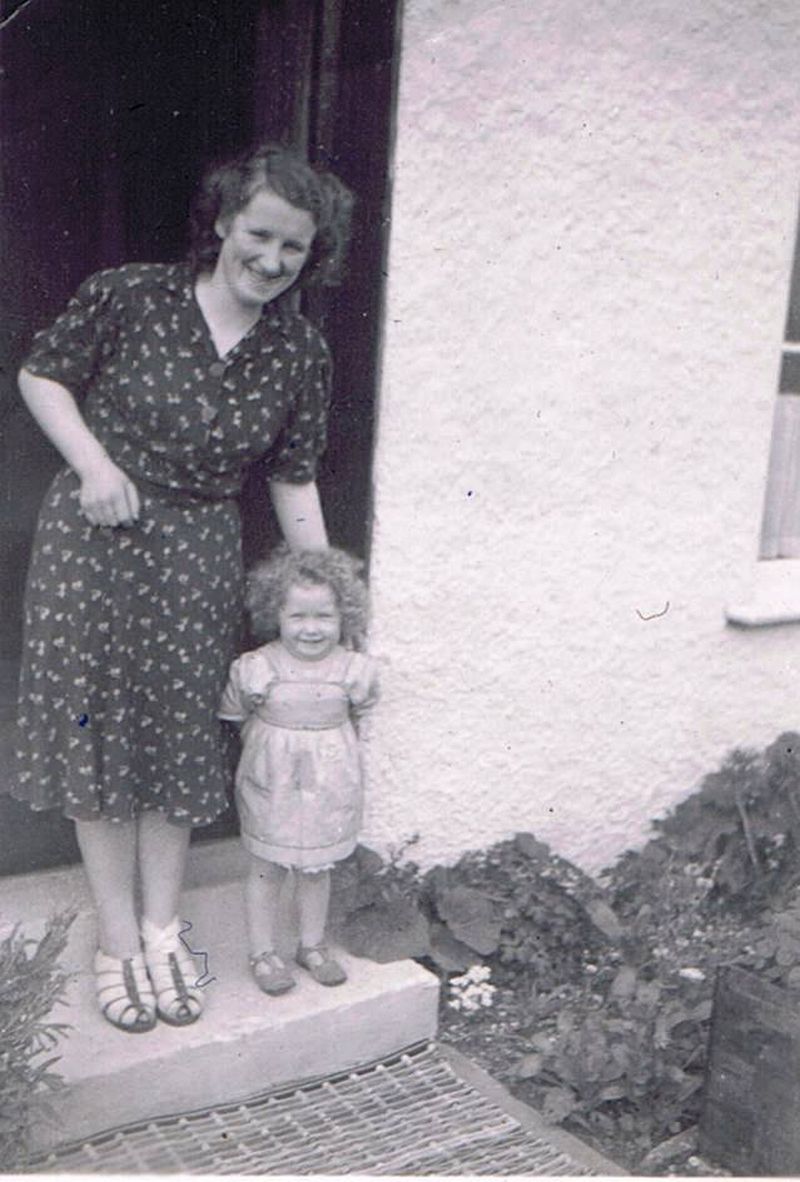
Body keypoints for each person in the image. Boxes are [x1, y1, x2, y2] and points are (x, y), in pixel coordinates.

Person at [12, 143, 354, 1032]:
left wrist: (327, 601)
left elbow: (293, 477)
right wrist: (92, 464)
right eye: (261, 235)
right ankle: (117, 942)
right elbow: (42, 374)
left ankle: (166, 929)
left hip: (200, 551)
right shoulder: (129, 295)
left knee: (176, 737)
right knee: (100, 732)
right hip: (97, 541)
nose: (273, 261)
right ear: (222, 222)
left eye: (295, 250)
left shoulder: (298, 351)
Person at [218, 546, 379, 995]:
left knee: (315, 868)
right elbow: (235, 715)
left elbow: (360, 712)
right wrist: (273, 747)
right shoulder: (257, 667)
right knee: (268, 865)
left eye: (323, 616)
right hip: (272, 778)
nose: (311, 628)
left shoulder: (353, 670)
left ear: (343, 616)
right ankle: (263, 952)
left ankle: (311, 945)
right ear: (277, 615)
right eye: (298, 617)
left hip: (329, 779)